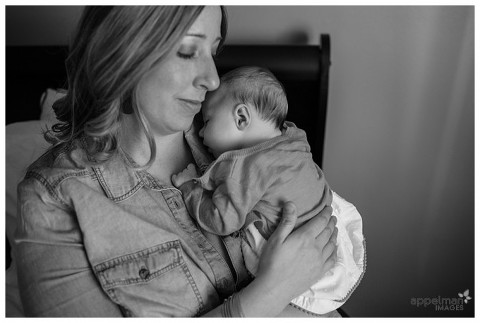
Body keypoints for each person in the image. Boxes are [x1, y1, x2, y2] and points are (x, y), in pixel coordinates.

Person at [14, 6, 341, 317]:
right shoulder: (54, 200)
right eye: (188, 51)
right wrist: (270, 292)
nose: (213, 80)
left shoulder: (240, 136)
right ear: (123, 53)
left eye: (213, 52)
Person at [172, 66, 366, 315]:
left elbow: (222, 219)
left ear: (241, 118)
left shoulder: (244, 169)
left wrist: (190, 187)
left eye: (207, 121)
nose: (200, 132)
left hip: (298, 260)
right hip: (330, 234)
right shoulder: (295, 137)